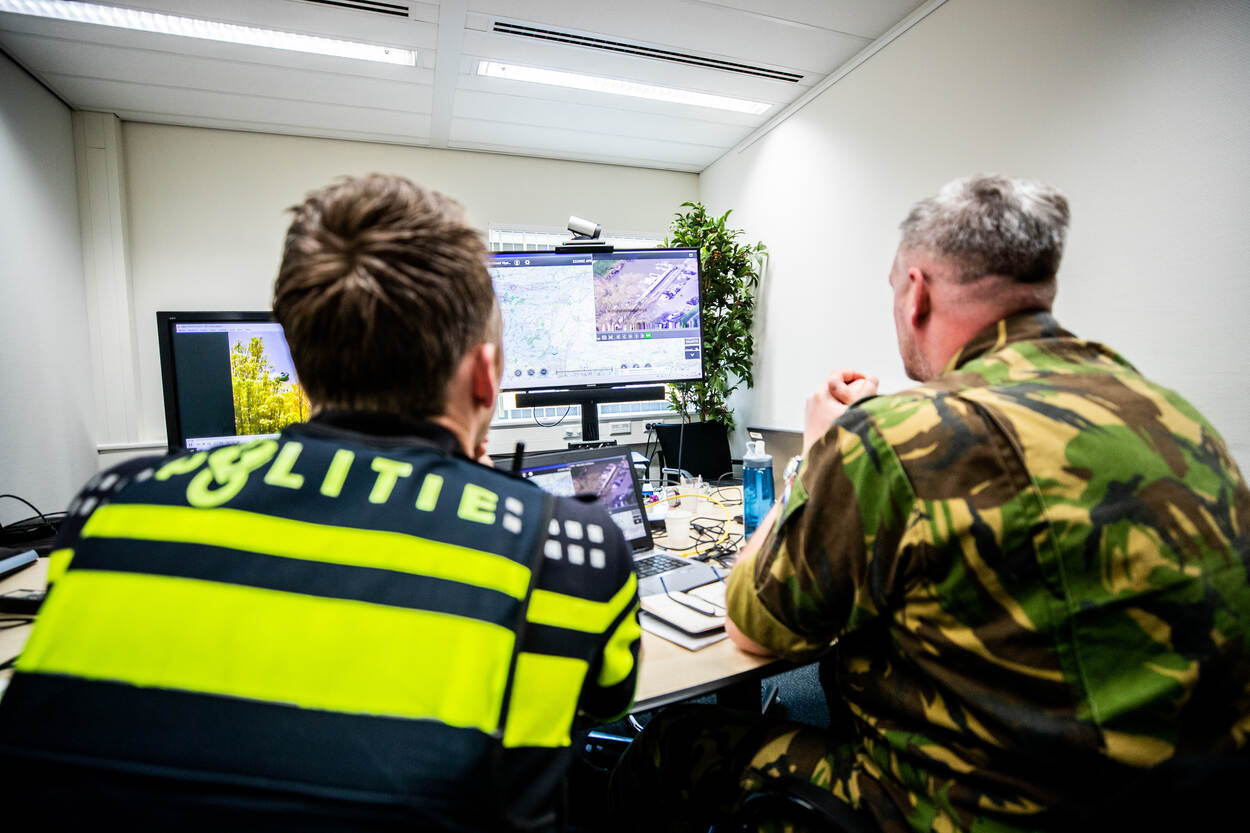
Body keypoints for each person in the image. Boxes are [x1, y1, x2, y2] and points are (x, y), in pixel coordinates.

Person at [0, 174, 642, 831]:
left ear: (303, 368)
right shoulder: (572, 548)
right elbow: (611, 700)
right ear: (485, 376)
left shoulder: (113, 504)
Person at [611, 175, 1250, 832]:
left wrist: (820, 452)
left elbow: (752, 622)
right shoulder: (1179, 421)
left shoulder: (896, 436)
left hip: (961, 812)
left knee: (673, 742)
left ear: (915, 293)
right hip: (1177, 800)